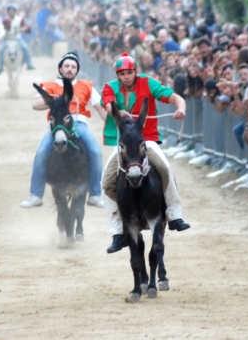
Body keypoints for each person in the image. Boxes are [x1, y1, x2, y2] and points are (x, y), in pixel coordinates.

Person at [100, 53, 191, 254]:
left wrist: (181, 108)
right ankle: (117, 232)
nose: (126, 77)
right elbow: (107, 103)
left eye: (129, 72)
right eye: (122, 73)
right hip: (123, 144)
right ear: (117, 74)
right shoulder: (110, 87)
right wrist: (116, 111)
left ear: (135, 72)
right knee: (106, 182)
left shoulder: (148, 83)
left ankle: (174, 215)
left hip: (147, 140)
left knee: (165, 168)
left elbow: (174, 97)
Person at [20, 52, 105, 208]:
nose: (70, 69)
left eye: (73, 67)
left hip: (78, 123)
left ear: (77, 70)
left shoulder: (87, 86)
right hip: (57, 124)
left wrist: (117, 121)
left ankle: (95, 194)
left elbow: (101, 108)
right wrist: (57, 102)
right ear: (60, 69)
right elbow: (36, 104)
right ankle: (36, 195)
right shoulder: (50, 85)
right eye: (66, 66)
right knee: (41, 153)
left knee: (95, 151)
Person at [0, 5, 34, 75]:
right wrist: (4, 33)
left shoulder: (19, 19)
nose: (12, 13)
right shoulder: (4, 21)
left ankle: (29, 64)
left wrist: (24, 28)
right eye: (10, 11)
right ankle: (0, 67)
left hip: (17, 38)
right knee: (1, 50)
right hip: (7, 38)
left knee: (25, 47)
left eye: (13, 11)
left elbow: (26, 27)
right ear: (8, 12)